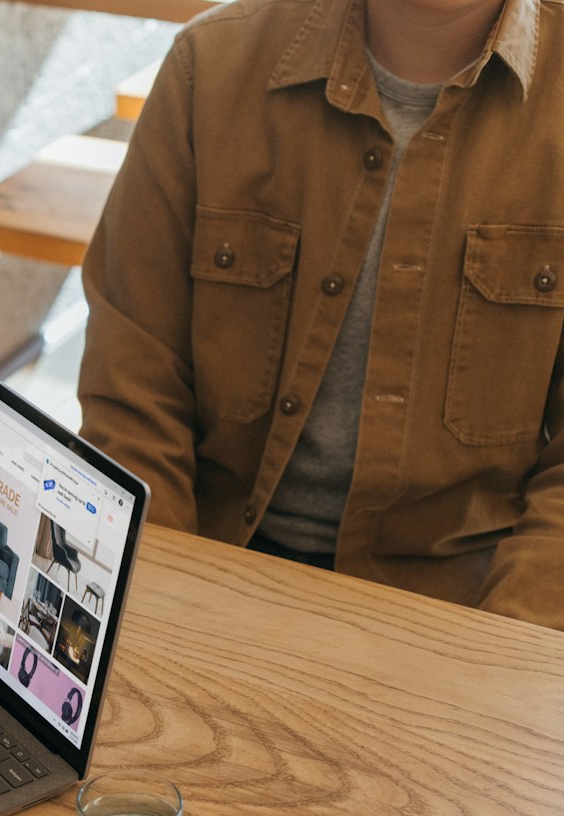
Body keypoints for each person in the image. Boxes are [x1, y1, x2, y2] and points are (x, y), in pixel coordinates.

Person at [77, 0, 564, 628]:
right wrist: (163, 611)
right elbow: (132, 389)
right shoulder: (212, 66)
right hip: (212, 560)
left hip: (459, 601)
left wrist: (502, 654)